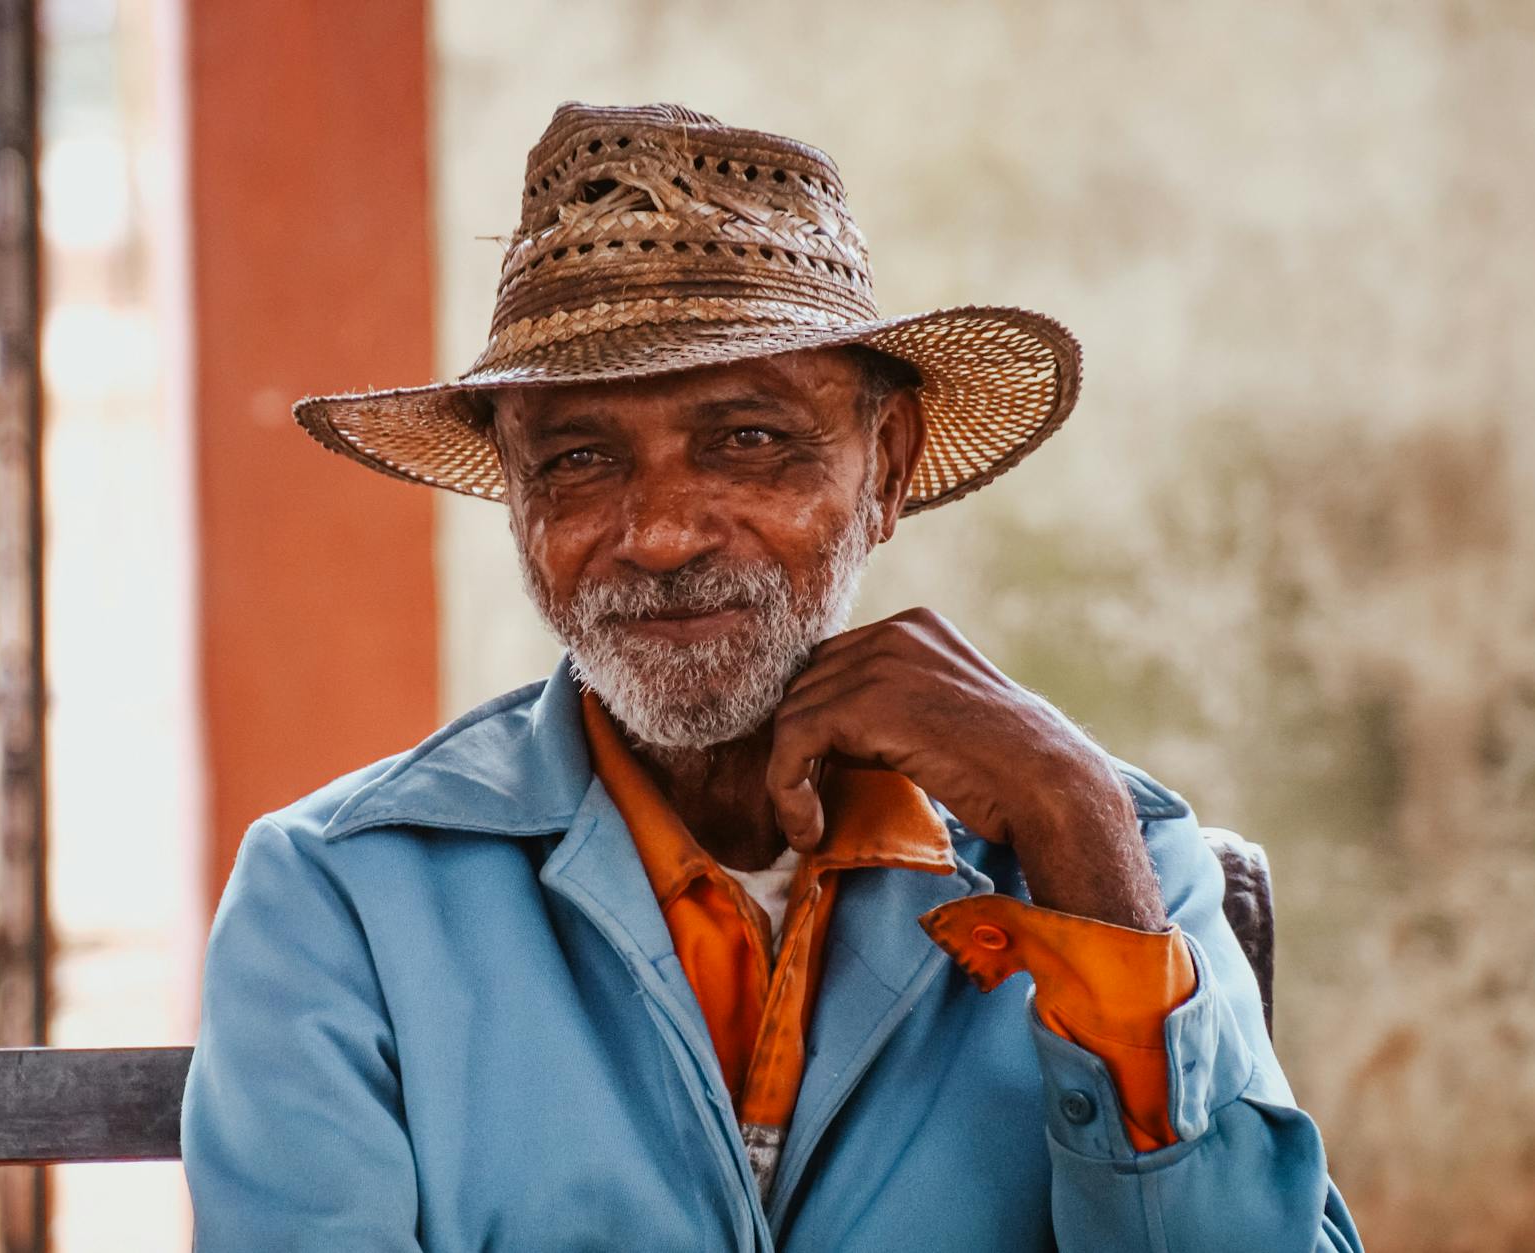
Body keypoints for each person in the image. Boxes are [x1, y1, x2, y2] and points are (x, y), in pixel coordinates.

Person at [181, 101, 1362, 1251]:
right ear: (517, 500)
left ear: (885, 468)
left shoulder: (1105, 853)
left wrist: (1078, 829)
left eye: (745, 439)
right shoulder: (342, 897)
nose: (658, 531)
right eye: (579, 458)